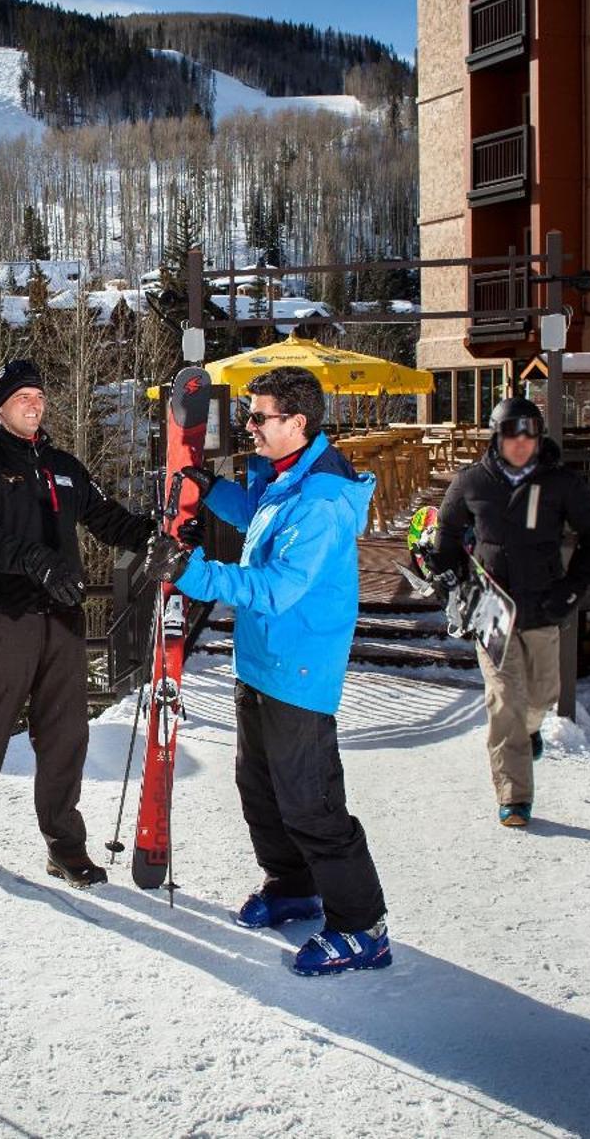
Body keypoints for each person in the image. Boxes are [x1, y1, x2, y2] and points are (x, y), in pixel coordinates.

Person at [145, 365, 390, 976]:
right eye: (249, 415)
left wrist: (191, 572)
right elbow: (257, 508)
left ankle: (363, 927)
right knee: (259, 786)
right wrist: (209, 487)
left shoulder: (323, 502)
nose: (248, 426)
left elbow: (279, 587)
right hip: (262, 663)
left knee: (310, 801)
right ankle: (292, 884)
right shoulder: (288, 478)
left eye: (259, 417)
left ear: (298, 423)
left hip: (300, 670)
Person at [0, 358, 160, 887]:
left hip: (63, 617)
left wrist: (153, 535)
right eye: (21, 397)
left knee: (66, 733)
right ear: (1, 407)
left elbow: (105, 518)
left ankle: (64, 846)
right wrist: (37, 561)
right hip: (6, 614)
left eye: (38, 395)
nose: (33, 403)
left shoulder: (64, 465)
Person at [432, 396, 590, 828]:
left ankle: (530, 731)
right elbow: (446, 535)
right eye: (511, 434)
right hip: (489, 608)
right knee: (504, 700)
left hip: (544, 603)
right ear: (497, 436)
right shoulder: (473, 481)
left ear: (538, 437)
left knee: (542, 695)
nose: (520, 443)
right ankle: (514, 796)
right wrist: (449, 577)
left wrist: (571, 590)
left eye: (529, 434)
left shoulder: (560, 483)